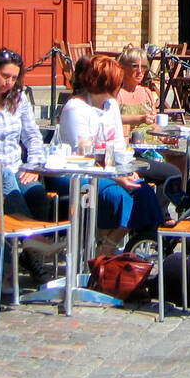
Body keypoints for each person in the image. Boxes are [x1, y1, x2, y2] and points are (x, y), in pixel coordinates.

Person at [55, 55, 163, 254]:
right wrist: (116, 177)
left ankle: (109, 242)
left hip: (107, 169)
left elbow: (117, 146)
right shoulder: (76, 108)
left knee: (142, 190)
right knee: (116, 194)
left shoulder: (110, 105)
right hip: (77, 172)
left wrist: (125, 171)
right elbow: (84, 154)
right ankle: (105, 247)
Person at [0, 49, 50, 222]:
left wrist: (34, 165)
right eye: (5, 76)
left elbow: (32, 135)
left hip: (16, 168)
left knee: (38, 195)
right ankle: (35, 240)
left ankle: (31, 246)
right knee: (12, 198)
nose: (9, 83)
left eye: (14, 78)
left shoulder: (19, 98)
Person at [115, 45, 159, 141]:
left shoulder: (147, 92)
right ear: (123, 68)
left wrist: (165, 138)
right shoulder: (118, 94)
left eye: (143, 67)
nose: (139, 71)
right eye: (135, 66)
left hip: (152, 144)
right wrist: (141, 118)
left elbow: (155, 125)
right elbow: (113, 119)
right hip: (129, 145)